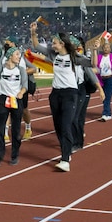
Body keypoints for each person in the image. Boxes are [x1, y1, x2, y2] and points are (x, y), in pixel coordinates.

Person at [30, 22, 79, 172]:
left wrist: (96, 51)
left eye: (55, 43)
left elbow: (92, 64)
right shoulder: (53, 55)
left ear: (62, 44)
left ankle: (65, 159)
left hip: (70, 93)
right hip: (55, 94)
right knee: (58, 126)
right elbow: (37, 46)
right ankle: (66, 149)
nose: (52, 44)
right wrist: (33, 32)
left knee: (65, 125)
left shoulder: (74, 57)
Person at [0, 47, 27, 167]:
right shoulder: (1, 69)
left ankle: (14, 155)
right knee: (0, 130)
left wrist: (21, 92)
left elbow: (25, 85)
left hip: (16, 101)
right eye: (17, 54)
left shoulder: (21, 70)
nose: (19, 57)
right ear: (10, 56)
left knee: (16, 131)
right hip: (3, 100)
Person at [72, 35, 104, 152]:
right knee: (72, 117)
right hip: (71, 89)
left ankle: (78, 141)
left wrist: (95, 49)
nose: (78, 47)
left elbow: (94, 66)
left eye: (79, 45)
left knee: (79, 116)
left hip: (83, 89)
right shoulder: (71, 57)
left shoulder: (85, 57)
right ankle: (75, 136)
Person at [2, 36, 36, 141]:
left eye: (8, 42)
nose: (6, 44)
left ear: (13, 44)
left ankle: (28, 128)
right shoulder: (3, 57)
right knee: (7, 109)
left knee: (24, 110)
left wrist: (21, 73)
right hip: (8, 88)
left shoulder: (21, 57)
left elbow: (33, 69)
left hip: (20, 88)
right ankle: (5, 133)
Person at [92, 37, 112, 121]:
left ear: (110, 48)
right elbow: (95, 65)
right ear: (102, 48)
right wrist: (94, 50)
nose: (106, 49)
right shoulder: (99, 57)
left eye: (107, 47)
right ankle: (108, 112)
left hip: (111, 79)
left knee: (107, 96)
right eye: (104, 47)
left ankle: (106, 114)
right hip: (102, 79)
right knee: (104, 96)